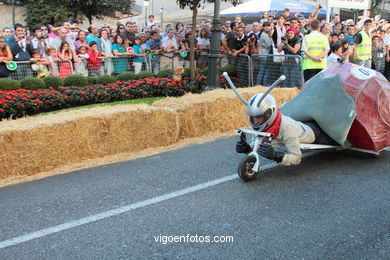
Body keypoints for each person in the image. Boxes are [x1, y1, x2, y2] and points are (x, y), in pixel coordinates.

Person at [235, 92, 336, 166]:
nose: (255, 122)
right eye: (253, 117)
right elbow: (259, 143)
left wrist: (277, 156)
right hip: (300, 126)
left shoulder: (286, 127)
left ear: (269, 113)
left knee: (338, 142)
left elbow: (296, 158)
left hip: (315, 134)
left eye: (258, 117)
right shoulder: (262, 124)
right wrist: (248, 148)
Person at [256, 22, 273, 86]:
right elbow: (269, 45)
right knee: (265, 71)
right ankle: (263, 85)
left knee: (262, 71)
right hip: (264, 55)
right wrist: (271, 38)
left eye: (268, 26)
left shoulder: (264, 34)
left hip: (263, 55)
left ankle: (259, 85)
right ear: (262, 27)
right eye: (265, 26)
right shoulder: (264, 35)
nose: (267, 27)